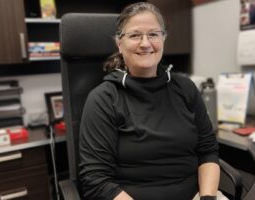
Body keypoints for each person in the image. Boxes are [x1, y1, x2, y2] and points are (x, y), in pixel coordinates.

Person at [79, 2, 220, 200]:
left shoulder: (185, 88)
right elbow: (95, 180)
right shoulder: (103, 99)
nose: (145, 43)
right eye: (135, 35)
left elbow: (208, 150)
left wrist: (207, 197)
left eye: (153, 34)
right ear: (120, 43)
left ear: (163, 39)